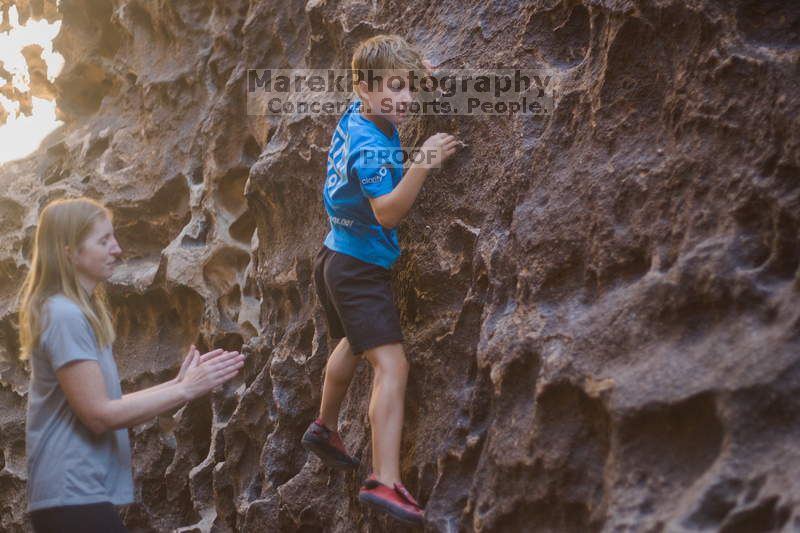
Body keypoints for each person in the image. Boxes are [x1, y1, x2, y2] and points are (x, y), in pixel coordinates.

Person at [301, 34, 459, 526]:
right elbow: (388, 212)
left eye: (409, 86)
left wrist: (410, 69)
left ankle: (324, 428)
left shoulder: (357, 110)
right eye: (394, 88)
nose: (406, 99)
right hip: (359, 269)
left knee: (353, 339)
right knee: (392, 366)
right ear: (365, 89)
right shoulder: (370, 147)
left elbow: (385, 79)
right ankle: (385, 479)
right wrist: (424, 160)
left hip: (333, 255)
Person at [18, 198, 245, 533]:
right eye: (103, 240)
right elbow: (99, 415)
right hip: (70, 497)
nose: (118, 249)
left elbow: (106, 406)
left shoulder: (74, 313)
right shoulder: (64, 315)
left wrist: (179, 385)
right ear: (67, 251)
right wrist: (185, 388)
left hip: (77, 497)